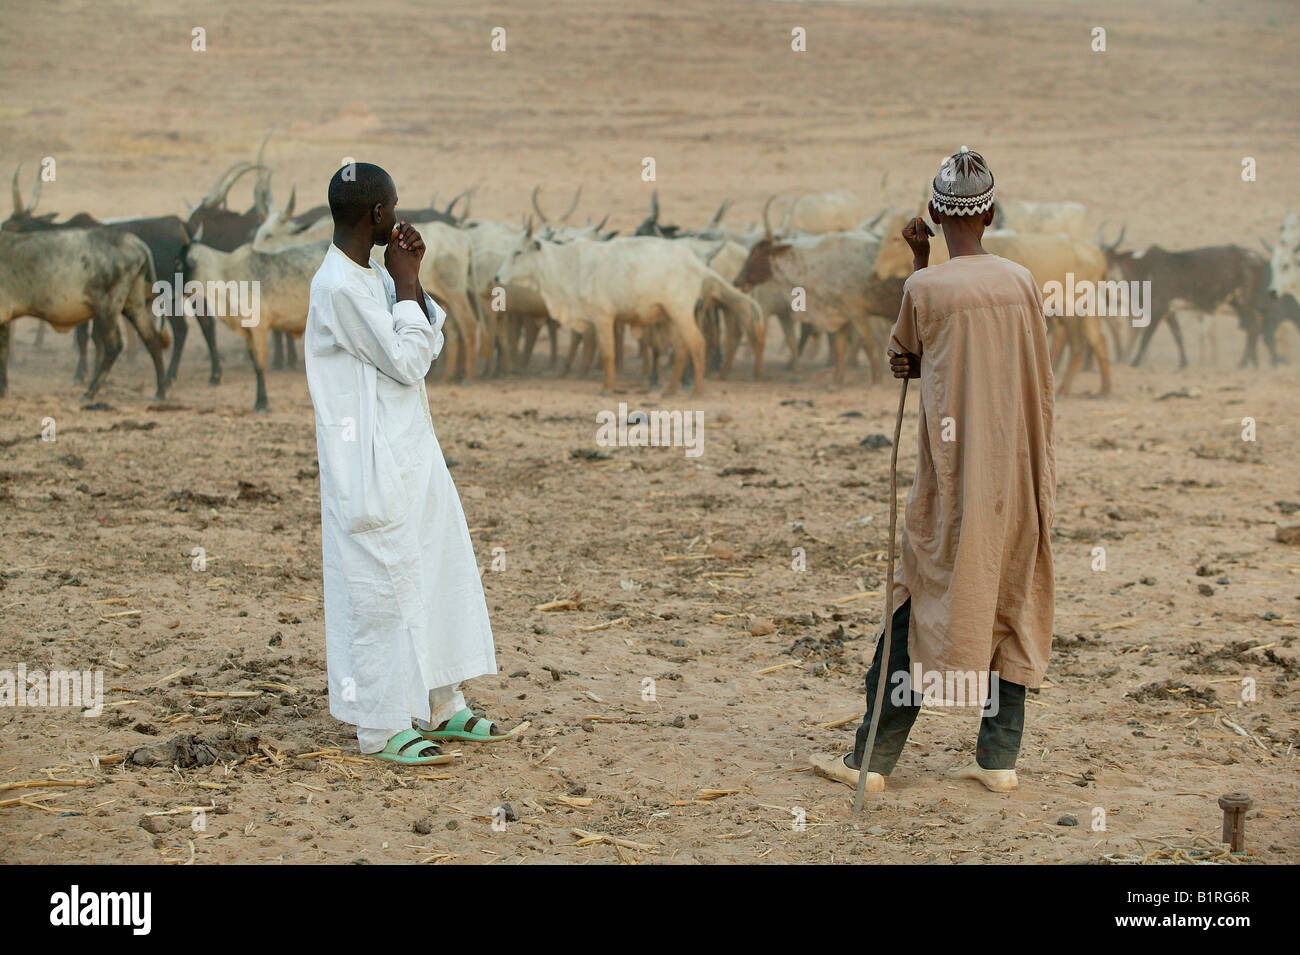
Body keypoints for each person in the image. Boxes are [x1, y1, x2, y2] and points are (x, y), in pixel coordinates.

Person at [812, 147, 1056, 793]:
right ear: (992, 214)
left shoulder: (923, 286)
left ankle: (871, 763)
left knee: (916, 602)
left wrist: (919, 262)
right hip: (1019, 473)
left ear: (932, 215)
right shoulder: (1022, 280)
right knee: (1010, 597)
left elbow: (909, 358)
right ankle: (998, 759)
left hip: (955, 483)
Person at [304, 162, 517, 764]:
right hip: (369, 465)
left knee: (433, 573)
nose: (396, 219)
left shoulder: (369, 275)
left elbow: (426, 336)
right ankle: (379, 728)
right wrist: (405, 282)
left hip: (412, 454)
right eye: (391, 209)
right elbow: (407, 360)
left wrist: (411, 284)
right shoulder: (338, 288)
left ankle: (445, 705)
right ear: (375, 214)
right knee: (379, 594)